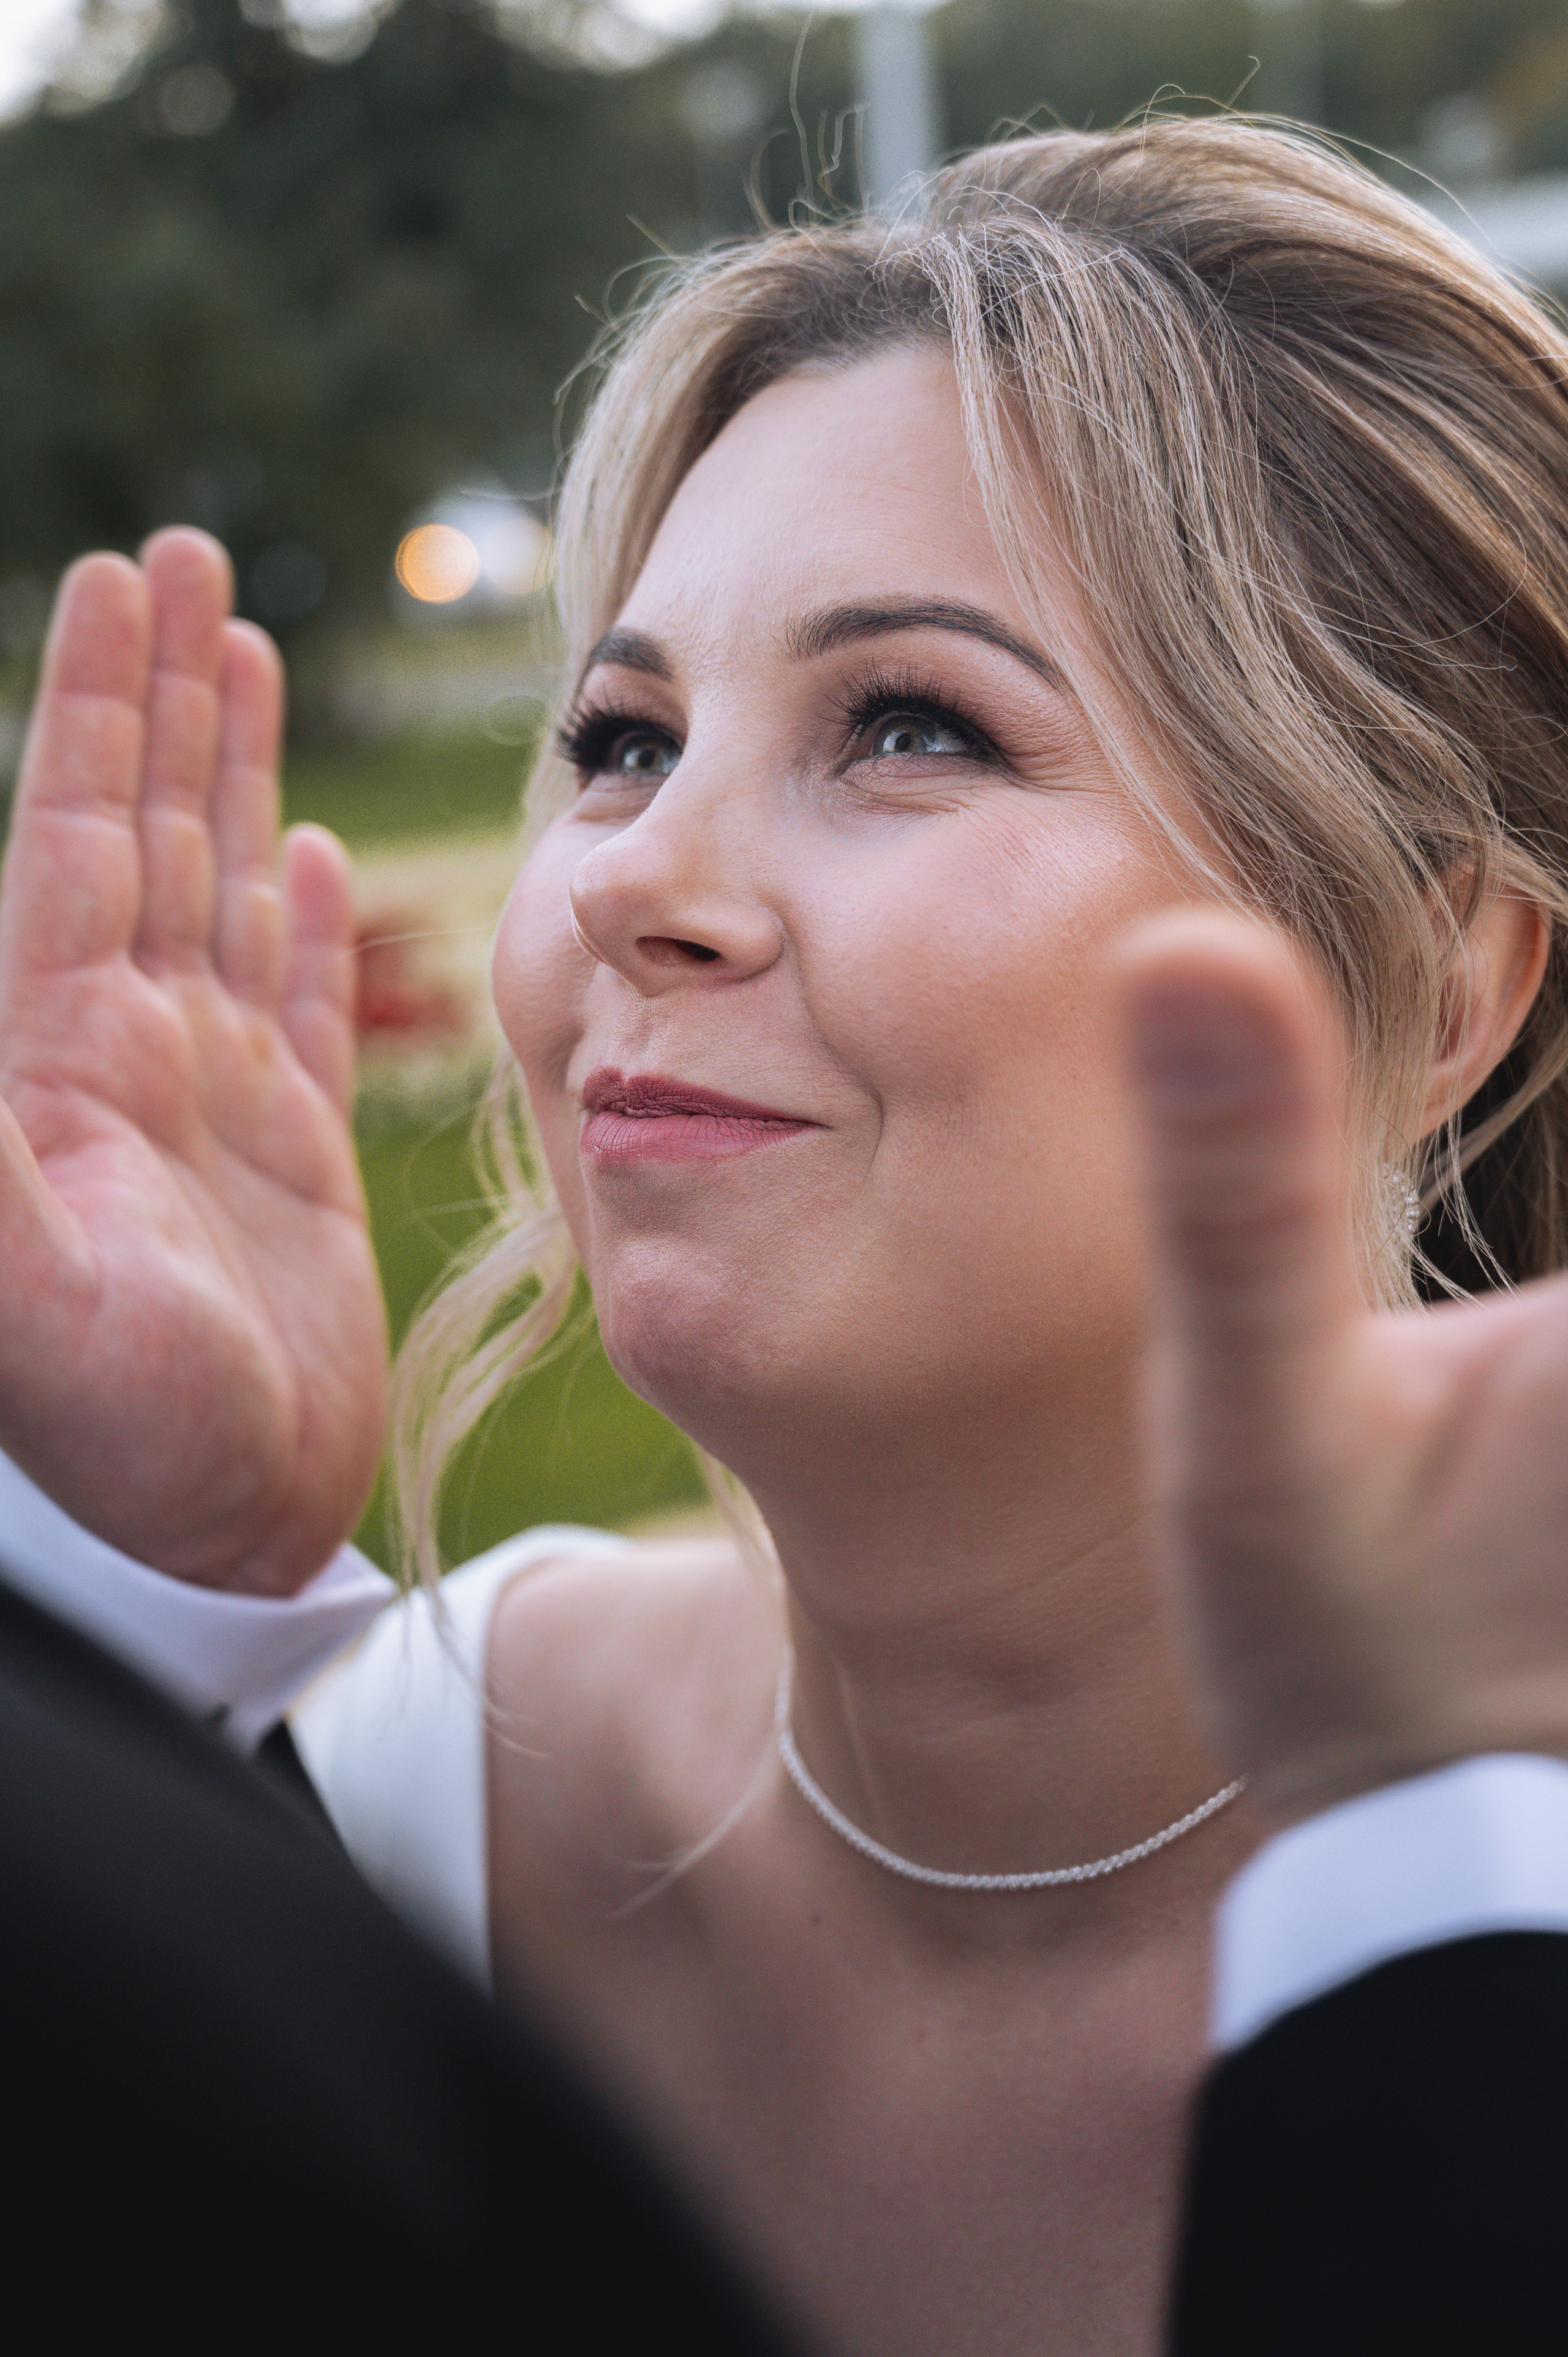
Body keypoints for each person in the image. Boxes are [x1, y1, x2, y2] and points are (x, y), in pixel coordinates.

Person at [7, 114, 1568, 2353]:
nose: (629, 874)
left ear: (1439, 987)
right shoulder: (400, 1791)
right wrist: (145, 1596)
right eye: (624, 736)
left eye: (912, 725)